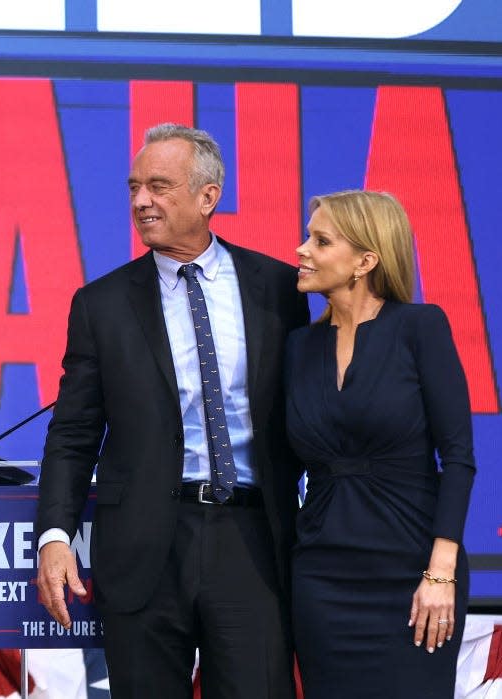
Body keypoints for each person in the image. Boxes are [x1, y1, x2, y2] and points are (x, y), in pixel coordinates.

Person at [35, 123, 310, 699]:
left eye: (160, 186)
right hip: (143, 547)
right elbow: (73, 433)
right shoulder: (101, 305)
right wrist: (55, 535)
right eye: (135, 187)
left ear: (208, 197)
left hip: (254, 538)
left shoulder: (281, 289)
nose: (141, 201)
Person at [286, 190, 475, 698]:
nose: (302, 250)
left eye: (320, 240)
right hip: (321, 582)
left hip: (413, 577)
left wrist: (440, 574)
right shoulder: (299, 347)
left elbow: (457, 458)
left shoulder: (420, 327)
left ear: (365, 261)